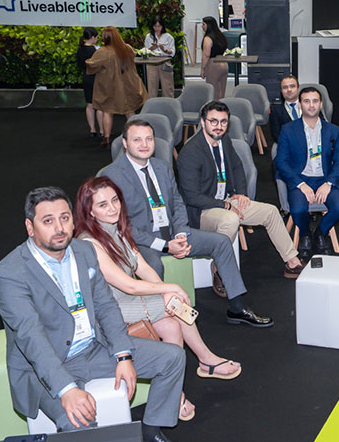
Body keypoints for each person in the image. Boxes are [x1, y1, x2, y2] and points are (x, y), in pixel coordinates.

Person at [0, 186, 191, 442]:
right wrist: (67, 389)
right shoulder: (9, 272)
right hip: (46, 367)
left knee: (172, 358)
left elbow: (106, 306)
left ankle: (150, 433)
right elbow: (31, 337)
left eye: (64, 218)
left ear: (74, 221)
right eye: (48, 221)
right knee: (78, 418)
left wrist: (123, 355)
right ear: (30, 227)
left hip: (93, 348)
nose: (59, 228)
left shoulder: (84, 252)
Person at [74, 177, 241, 424]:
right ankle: (205, 360)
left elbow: (142, 267)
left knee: (172, 321)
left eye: (114, 200)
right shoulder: (89, 243)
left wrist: (164, 291)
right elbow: (128, 285)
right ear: (89, 211)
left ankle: (176, 391)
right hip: (109, 311)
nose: (112, 208)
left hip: (128, 301)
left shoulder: (117, 230)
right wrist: (170, 289)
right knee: (175, 305)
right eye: (102, 205)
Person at [102, 119, 272, 327]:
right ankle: (162, 320)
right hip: (141, 242)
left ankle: (237, 308)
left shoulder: (162, 167)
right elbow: (122, 225)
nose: (144, 144)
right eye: (137, 140)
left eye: (149, 139)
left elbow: (177, 203)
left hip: (172, 233)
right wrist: (165, 246)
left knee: (221, 242)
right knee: (154, 266)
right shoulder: (111, 176)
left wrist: (181, 233)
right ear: (125, 143)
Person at [177, 101, 305, 278]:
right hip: (203, 210)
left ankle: (292, 262)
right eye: (213, 121)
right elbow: (192, 197)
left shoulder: (224, 140)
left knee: (271, 212)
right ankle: (218, 269)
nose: (219, 126)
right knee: (230, 219)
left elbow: (237, 166)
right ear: (203, 122)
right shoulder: (190, 152)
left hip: (227, 199)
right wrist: (226, 205)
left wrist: (242, 193)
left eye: (223, 122)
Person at [275, 86, 339, 257]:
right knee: (298, 210)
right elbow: (281, 162)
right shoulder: (288, 129)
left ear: (321, 104)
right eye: (307, 101)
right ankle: (305, 233)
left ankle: (320, 233)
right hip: (300, 178)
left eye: (315, 101)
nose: (312, 105)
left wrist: (329, 183)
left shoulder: (333, 130)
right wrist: (300, 184)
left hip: (324, 178)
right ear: (300, 105)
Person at [86, 26, 146, 148]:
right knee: (130, 111)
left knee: (108, 111)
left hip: (109, 87)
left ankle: (106, 138)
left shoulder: (102, 52)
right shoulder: (127, 48)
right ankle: (137, 135)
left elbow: (92, 66)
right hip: (127, 86)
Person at [76, 27, 101, 139]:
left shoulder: (80, 49)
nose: (97, 39)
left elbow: (79, 65)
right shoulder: (94, 51)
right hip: (96, 78)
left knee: (89, 104)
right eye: (97, 37)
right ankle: (102, 130)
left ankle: (92, 130)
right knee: (99, 105)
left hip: (86, 77)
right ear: (93, 37)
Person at [143, 18, 176, 99]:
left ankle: (169, 104)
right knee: (152, 87)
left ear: (162, 26)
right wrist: (151, 48)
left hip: (165, 61)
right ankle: (152, 104)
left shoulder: (168, 37)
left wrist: (164, 49)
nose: (157, 28)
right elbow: (145, 52)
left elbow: (172, 52)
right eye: (155, 26)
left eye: (159, 26)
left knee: (167, 86)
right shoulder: (149, 36)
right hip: (152, 62)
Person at [200, 16, 230, 100]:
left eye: (203, 24)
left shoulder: (208, 38)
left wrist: (203, 68)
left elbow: (206, 55)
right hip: (224, 63)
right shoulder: (221, 36)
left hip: (213, 65)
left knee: (213, 91)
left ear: (208, 25)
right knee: (221, 91)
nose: (202, 26)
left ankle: (214, 106)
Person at [269, 74, 301, 141]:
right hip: (289, 144)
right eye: (285, 87)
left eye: (292, 86)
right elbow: (276, 135)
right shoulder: (276, 110)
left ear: (298, 89)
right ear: (281, 91)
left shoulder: (310, 105)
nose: (289, 90)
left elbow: (321, 127)